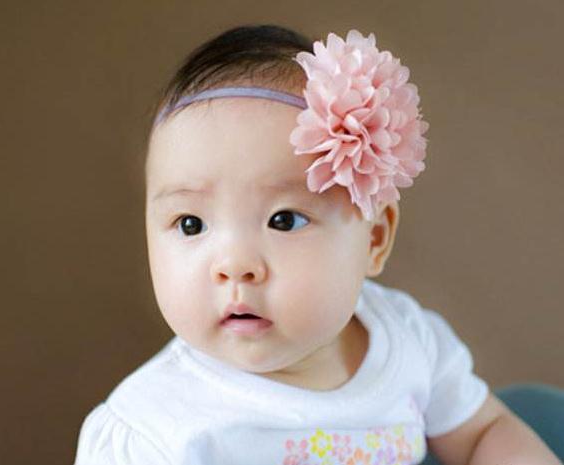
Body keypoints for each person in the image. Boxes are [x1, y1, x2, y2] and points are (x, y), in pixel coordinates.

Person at [73, 24, 561, 464]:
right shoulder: (153, 432)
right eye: (190, 224)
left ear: (374, 239)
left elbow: (483, 434)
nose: (234, 265)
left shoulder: (408, 340)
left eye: (283, 220)